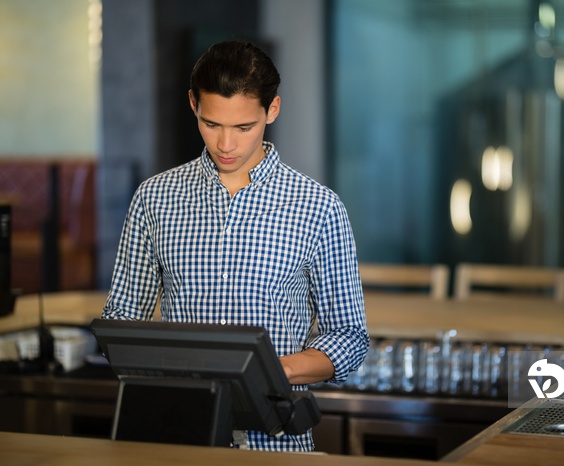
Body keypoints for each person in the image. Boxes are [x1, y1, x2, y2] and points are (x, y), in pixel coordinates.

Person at [101, 40, 369, 452]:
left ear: (272, 111)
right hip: (176, 438)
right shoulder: (154, 199)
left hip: (276, 443)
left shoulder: (318, 207)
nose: (226, 144)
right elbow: (120, 320)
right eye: (211, 124)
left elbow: (349, 337)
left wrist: (268, 371)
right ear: (193, 104)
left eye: (244, 128)